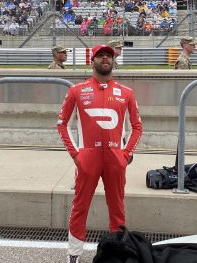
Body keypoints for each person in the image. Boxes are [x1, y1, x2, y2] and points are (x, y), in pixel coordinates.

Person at [57, 44, 142, 263]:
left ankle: (117, 253)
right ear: (92, 60)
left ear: (113, 62)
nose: (105, 59)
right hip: (88, 158)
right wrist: (76, 155)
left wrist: (126, 154)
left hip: (116, 158)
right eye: (101, 55)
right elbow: (62, 124)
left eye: (109, 56)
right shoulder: (77, 90)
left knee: (117, 207)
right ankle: (74, 253)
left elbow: (137, 127)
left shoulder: (127, 93)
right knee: (80, 206)